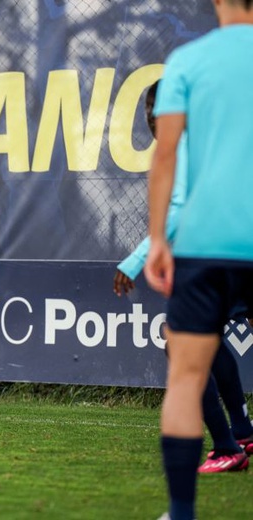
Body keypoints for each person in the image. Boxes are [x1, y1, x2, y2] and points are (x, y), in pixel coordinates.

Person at [144, 1, 253, 518]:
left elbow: (165, 155)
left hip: (205, 243)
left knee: (186, 379)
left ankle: (181, 512)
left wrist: (157, 240)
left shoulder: (187, 61)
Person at [114, 82, 252, 474]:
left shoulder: (181, 147)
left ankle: (226, 447)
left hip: (221, 255)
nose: (150, 118)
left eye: (155, 109)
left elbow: (178, 209)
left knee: (183, 345)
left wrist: (135, 260)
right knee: (206, 341)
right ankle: (242, 431)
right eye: (147, 111)